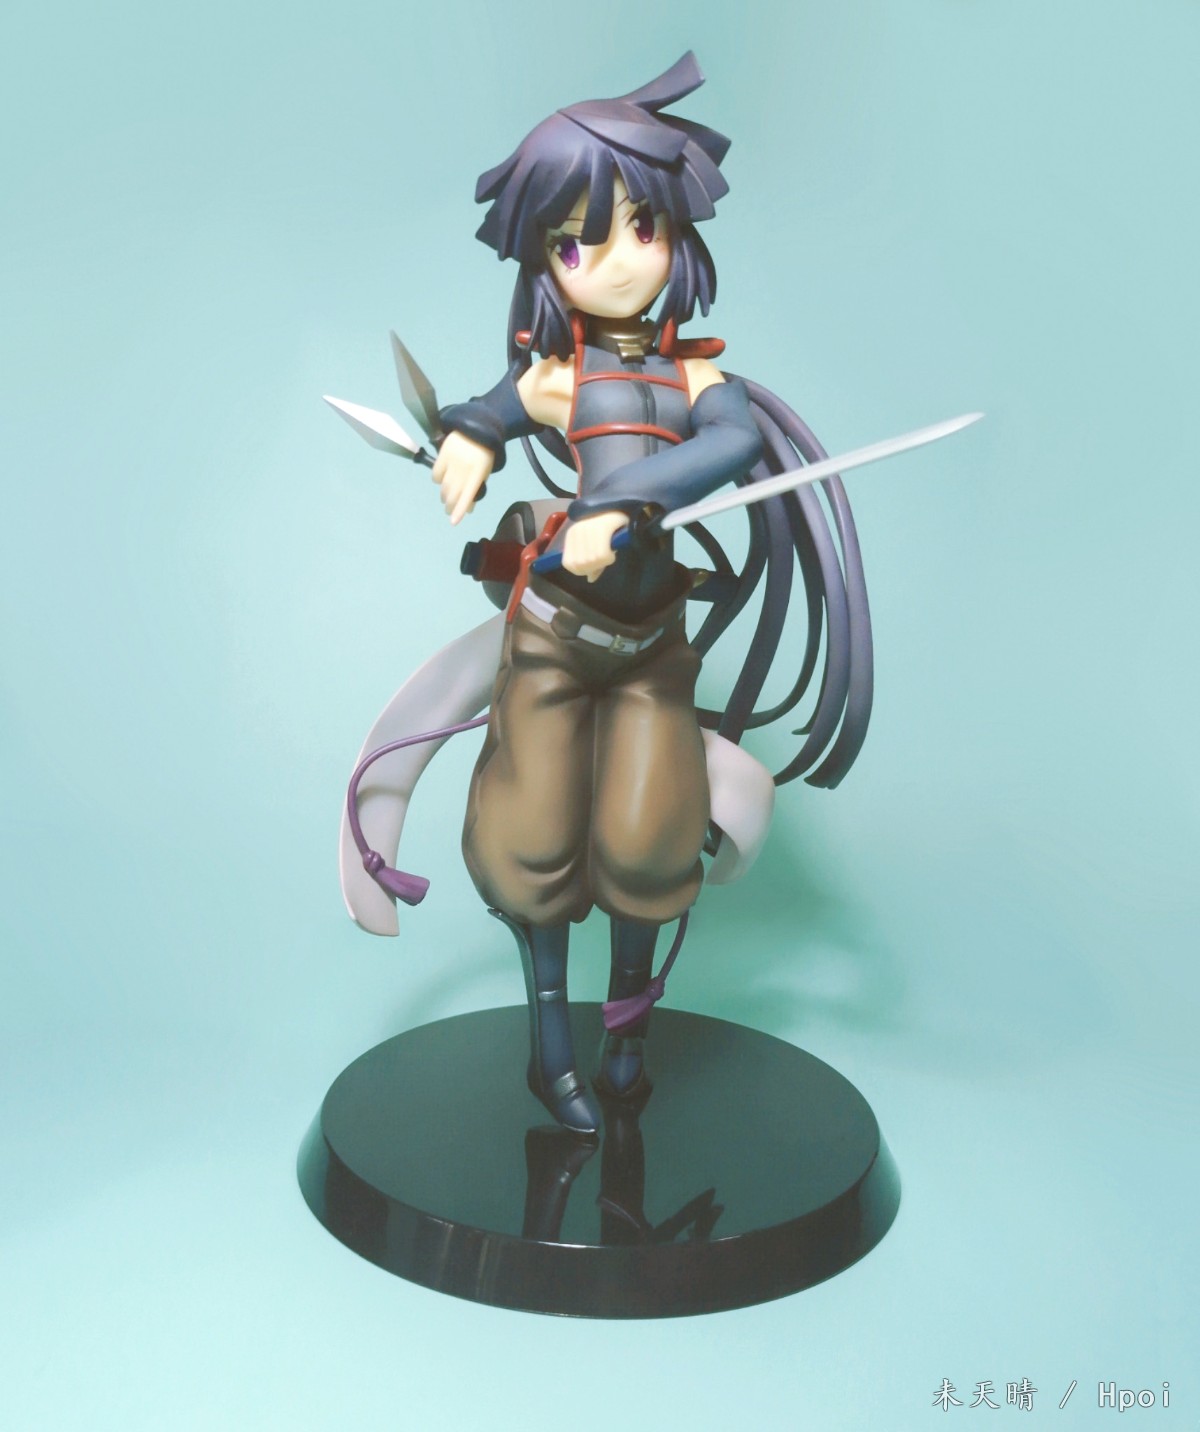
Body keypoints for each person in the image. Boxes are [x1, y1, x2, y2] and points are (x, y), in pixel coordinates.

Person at [343, 52, 874, 1137]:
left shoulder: (701, 383)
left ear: (677, 230)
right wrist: (472, 436)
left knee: (647, 837)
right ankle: (552, 1053)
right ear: (546, 258)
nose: (620, 262)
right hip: (554, 639)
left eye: (642, 228)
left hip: (648, 651)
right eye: (579, 242)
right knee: (533, 837)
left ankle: (626, 1036)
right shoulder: (556, 377)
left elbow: (728, 448)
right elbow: (496, 407)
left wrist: (623, 499)